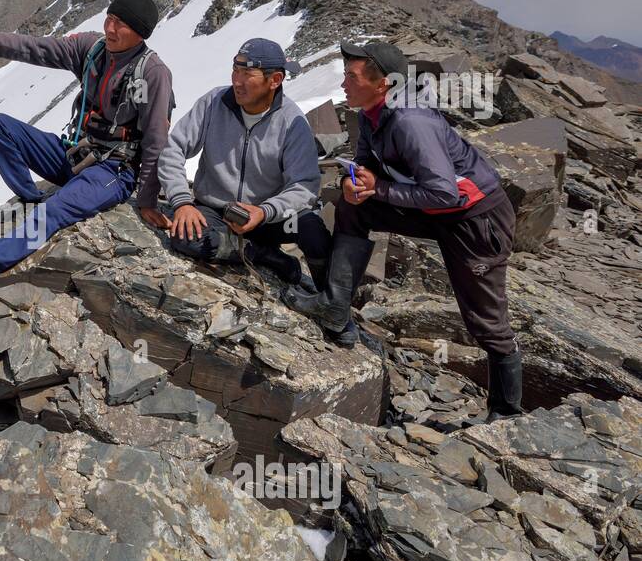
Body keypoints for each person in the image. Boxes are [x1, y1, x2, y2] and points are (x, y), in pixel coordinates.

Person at [283, 40, 522, 420]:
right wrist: (356, 182)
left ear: (384, 84)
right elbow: (365, 159)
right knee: (353, 208)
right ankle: (334, 306)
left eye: (352, 77)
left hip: (475, 219)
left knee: (485, 320)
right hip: (432, 206)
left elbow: (444, 192)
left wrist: (377, 189)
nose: (344, 83)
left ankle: (506, 412)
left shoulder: (411, 123)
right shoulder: (368, 112)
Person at [0, 0, 173, 309]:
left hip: (113, 170)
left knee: (52, 213)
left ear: (141, 33)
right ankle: (31, 200)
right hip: (77, 153)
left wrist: (148, 199)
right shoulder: (92, 48)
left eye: (120, 25)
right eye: (109, 18)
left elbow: (156, 140)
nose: (110, 28)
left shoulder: (153, 73)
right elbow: (39, 48)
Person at [158, 37, 335, 321]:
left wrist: (264, 211)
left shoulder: (292, 122)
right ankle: (263, 255)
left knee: (312, 228)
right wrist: (181, 202)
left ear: (275, 79)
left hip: (268, 219)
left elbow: (304, 185)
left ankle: (332, 305)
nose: (236, 81)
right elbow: (173, 148)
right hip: (216, 211)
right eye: (234, 71)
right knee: (185, 236)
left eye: (246, 74)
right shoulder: (215, 102)